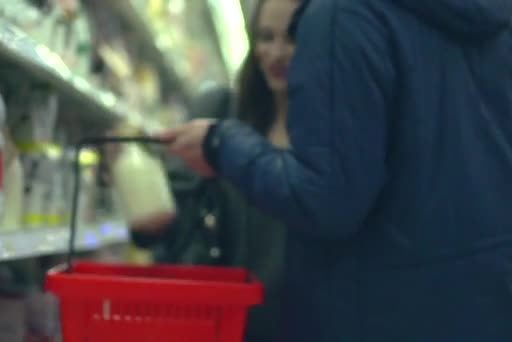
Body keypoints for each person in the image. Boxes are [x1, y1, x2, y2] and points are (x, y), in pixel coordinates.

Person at [159, 0, 512, 341]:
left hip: (381, 315)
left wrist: (221, 144)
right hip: (487, 305)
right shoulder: (494, 18)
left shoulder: (343, 16)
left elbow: (327, 200)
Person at [133, 1, 300, 341]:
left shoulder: (333, 134)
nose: (277, 53)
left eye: (292, 37)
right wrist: (141, 193)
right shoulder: (222, 116)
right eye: (266, 38)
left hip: (299, 318)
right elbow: (168, 220)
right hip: (221, 318)